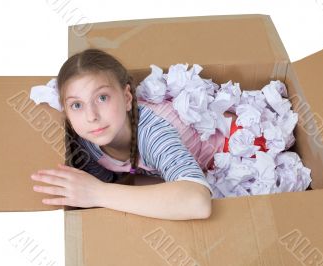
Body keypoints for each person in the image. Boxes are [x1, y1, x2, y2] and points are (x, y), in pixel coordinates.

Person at [30, 48, 225, 220]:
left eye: (102, 97)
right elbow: (118, 183)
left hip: (230, 145)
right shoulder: (87, 141)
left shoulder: (152, 133)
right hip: (163, 171)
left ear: (126, 97)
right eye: (77, 105)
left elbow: (198, 202)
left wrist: (98, 193)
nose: (91, 116)